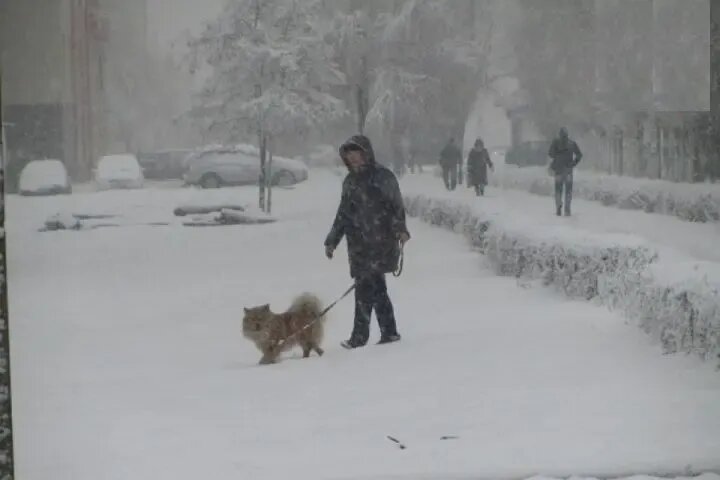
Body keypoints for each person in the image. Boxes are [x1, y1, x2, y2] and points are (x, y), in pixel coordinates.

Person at [325, 134, 410, 349]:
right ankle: (387, 332)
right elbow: (343, 214)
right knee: (374, 287)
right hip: (358, 245)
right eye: (349, 154)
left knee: (367, 287)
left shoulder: (383, 177)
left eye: (357, 153)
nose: (353, 158)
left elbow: (396, 205)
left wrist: (400, 229)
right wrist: (332, 240)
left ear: (366, 153)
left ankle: (361, 336)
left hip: (380, 241)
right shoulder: (350, 182)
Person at [548, 127, 583, 216]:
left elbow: (550, 154)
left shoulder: (556, 142)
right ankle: (567, 209)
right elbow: (579, 155)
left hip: (558, 170)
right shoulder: (572, 143)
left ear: (559, 134)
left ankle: (558, 206)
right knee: (568, 191)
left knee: (558, 190)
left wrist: (557, 156)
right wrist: (573, 163)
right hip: (568, 171)